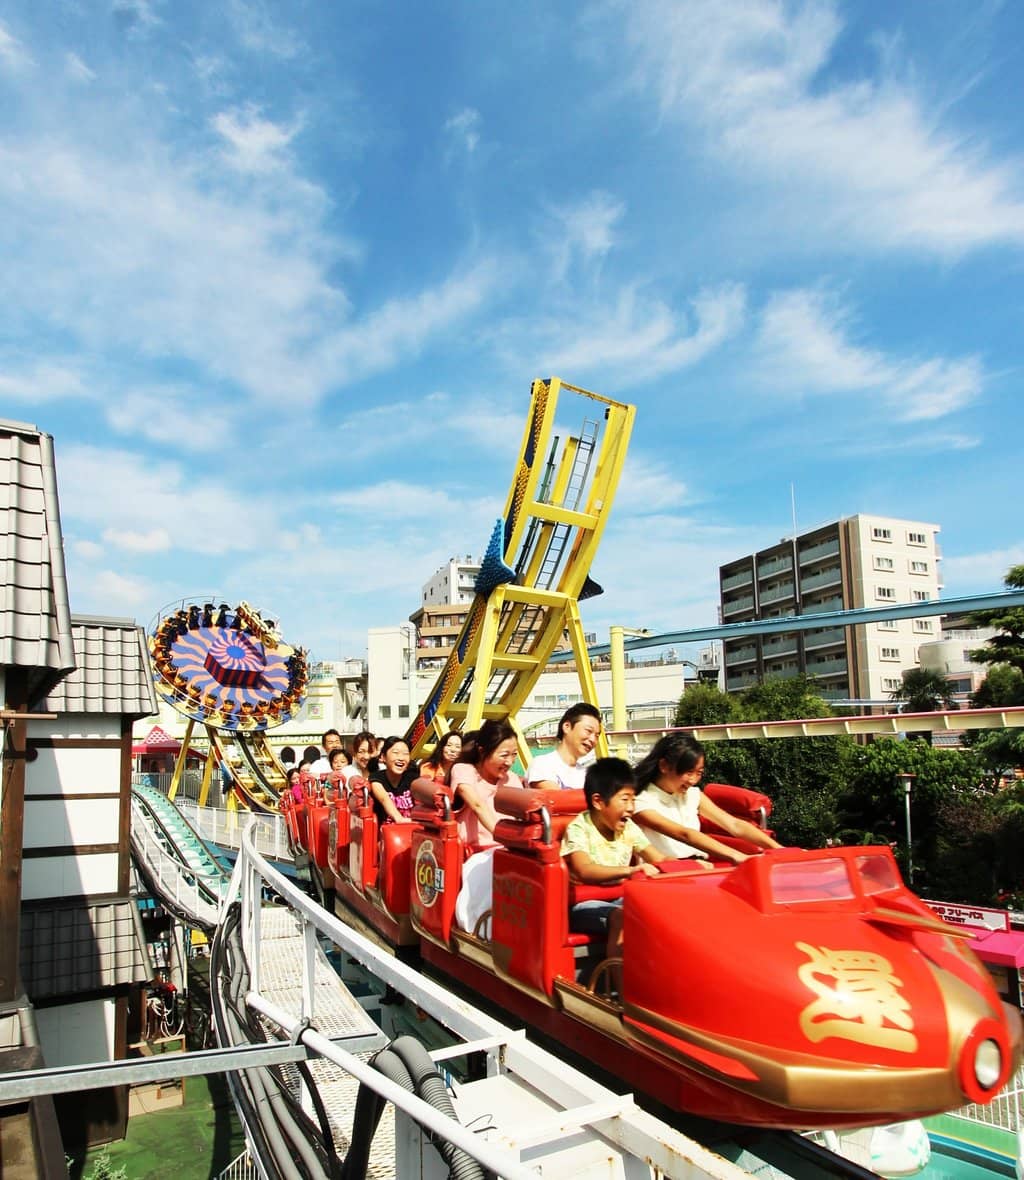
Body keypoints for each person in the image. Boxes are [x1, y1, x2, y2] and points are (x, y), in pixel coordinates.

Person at [560, 758, 667, 970]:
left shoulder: (628, 827)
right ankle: (620, 985)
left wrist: (692, 867)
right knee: (621, 917)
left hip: (618, 898)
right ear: (598, 802)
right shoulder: (579, 828)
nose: (631, 808)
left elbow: (658, 858)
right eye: (625, 800)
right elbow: (584, 869)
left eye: (633, 800)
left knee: (658, 910)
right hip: (582, 905)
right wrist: (630, 870)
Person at [632, 734, 781, 865]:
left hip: (699, 866)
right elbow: (684, 834)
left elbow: (734, 825)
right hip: (666, 871)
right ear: (664, 766)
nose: (693, 780)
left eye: (699, 773)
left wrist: (779, 849)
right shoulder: (641, 801)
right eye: (689, 772)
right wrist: (737, 856)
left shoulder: (692, 795)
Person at [450, 719, 523, 849]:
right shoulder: (464, 770)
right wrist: (505, 839)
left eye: (514, 755)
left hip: (507, 849)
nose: (510, 762)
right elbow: (477, 805)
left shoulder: (511, 778)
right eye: (504, 755)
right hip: (476, 850)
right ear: (482, 751)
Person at [525, 702, 602, 790]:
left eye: (597, 736)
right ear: (567, 727)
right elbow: (554, 797)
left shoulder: (587, 775)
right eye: (588, 731)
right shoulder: (542, 764)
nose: (593, 739)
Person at [368, 736, 417, 824]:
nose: (401, 758)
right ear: (383, 757)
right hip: (385, 830)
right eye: (396, 753)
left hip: (412, 828)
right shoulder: (376, 777)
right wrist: (399, 818)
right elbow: (384, 798)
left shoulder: (413, 777)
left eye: (405, 754)